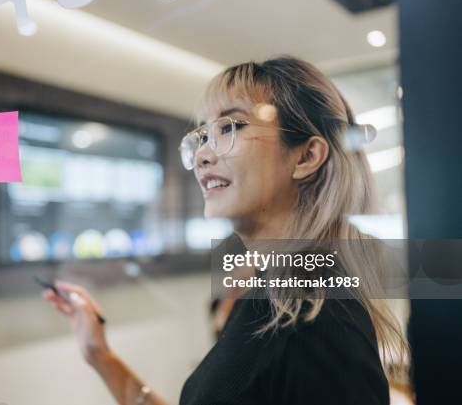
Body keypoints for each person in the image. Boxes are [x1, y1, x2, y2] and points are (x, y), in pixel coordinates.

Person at [42, 56, 409, 405]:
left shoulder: (317, 320)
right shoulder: (272, 297)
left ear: (306, 156)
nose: (203, 155)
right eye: (202, 136)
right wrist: (99, 355)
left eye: (231, 127)